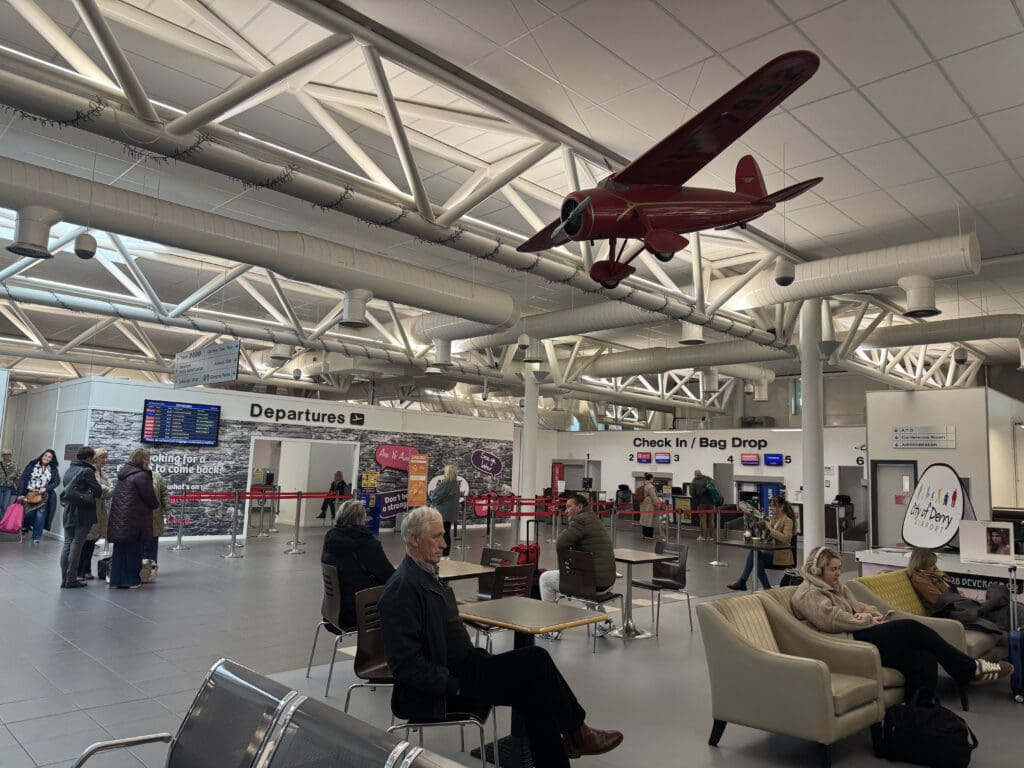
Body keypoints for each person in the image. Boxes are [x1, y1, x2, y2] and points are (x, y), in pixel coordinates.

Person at [379, 506, 623, 767]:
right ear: (415, 539)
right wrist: (454, 685)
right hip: (446, 687)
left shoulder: (426, 575)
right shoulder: (402, 589)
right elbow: (405, 665)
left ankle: (570, 743)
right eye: (436, 537)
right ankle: (577, 732)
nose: (444, 543)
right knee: (536, 660)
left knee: (534, 689)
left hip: (466, 668)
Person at [792, 546, 1013, 700]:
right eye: (833, 569)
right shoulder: (809, 594)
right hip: (848, 640)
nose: (838, 573)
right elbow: (833, 620)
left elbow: (860, 606)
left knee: (923, 658)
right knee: (911, 627)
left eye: (839, 568)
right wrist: (866, 619)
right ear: (816, 569)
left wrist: (870, 615)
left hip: (861, 629)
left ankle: (921, 714)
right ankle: (968, 668)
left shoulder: (837, 586)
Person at [538, 493, 617, 639]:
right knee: (580, 583)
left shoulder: (580, 520)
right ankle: (604, 621)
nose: (566, 510)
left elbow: (561, 542)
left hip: (595, 582)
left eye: (569, 507)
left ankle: (552, 628)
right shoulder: (594, 518)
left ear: (580, 507)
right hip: (608, 581)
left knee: (545, 579)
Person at [321, 498, 395, 629]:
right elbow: (389, 577)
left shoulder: (330, 540)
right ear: (362, 519)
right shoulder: (367, 544)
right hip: (362, 611)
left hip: (334, 610)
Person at [907, 548, 1011, 634]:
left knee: (997, 590)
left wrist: (957, 594)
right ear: (921, 564)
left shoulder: (934, 572)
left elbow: (950, 589)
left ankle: (983, 608)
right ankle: (982, 608)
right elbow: (940, 600)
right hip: (950, 611)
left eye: (934, 563)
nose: (934, 566)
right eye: (931, 565)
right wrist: (959, 598)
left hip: (959, 604)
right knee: (999, 598)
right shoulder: (919, 579)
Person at [107, 447, 158, 589]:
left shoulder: (124, 473)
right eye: (147, 458)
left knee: (119, 551)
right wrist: (149, 475)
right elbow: (151, 500)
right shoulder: (141, 476)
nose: (149, 461)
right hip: (135, 521)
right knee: (133, 552)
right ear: (142, 459)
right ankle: (132, 580)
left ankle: (116, 580)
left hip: (120, 520)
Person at [727, 496, 795, 591]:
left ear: (781, 507)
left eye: (773, 506)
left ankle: (744, 582)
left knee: (754, 556)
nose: (771, 508)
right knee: (756, 559)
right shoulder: (773, 519)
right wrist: (762, 528)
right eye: (770, 506)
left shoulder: (788, 521)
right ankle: (765, 589)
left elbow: (786, 539)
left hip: (782, 556)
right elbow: (769, 537)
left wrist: (770, 528)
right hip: (771, 552)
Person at [58, 447, 103, 589]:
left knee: (67, 544)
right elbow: (98, 490)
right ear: (89, 458)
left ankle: (65, 579)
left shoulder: (70, 469)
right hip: (83, 512)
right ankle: (71, 579)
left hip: (69, 510)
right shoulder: (87, 471)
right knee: (77, 544)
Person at [78, 448, 113, 580]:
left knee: (92, 541)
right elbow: (101, 490)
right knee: (85, 541)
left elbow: (109, 489)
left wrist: (107, 490)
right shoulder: (90, 472)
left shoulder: (102, 473)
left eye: (106, 457)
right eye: (103, 458)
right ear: (95, 458)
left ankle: (86, 569)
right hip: (90, 510)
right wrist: (106, 490)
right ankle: (80, 570)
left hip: (99, 511)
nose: (105, 461)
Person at [17, 449, 61, 544]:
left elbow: (57, 481)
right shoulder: (32, 465)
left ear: (51, 459)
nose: (47, 458)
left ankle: (36, 537)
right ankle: (26, 526)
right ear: (42, 456)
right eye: (45, 455)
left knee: (40, 515)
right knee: (28, 514)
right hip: (30, 494)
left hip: (43, 496)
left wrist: (46, 488)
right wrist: (20, 494)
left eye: (49, 457)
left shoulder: (53, 469)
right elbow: (23, 480)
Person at [428, 464, 460, 558]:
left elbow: (435, 497)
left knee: (439, 533)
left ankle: (439, 553)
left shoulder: (445, 484)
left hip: (441, 513)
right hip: (450, 514)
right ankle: (446, 554)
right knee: (447, 533)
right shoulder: (456, 485)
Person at [142, 469, 170, 565]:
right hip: (139, 517)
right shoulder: (134, 475)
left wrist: (168, 510)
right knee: (140, 544)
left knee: (152, 541)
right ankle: (139, 569)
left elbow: (164, 494)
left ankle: (151, 569)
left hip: (155, 516)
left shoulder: (156, 476)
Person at [690, 469, 716, 542]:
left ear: (695, 475)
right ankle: (711, 537)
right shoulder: (709, 479)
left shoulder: (694, 481)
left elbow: (692, 494)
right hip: (711, 502)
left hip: (701, 503)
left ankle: (703, 536)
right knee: (711, 519)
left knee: (703, 519)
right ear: (701, 473)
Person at [638, 473, 659, 539]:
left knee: (644, 520)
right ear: (650, 479)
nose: (653, 479)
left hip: (643, 504)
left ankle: (644, 534)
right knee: (650, 520)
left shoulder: (643, 484)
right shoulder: (650, 486)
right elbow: (654, 497)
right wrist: (659, 505)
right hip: (649, 505)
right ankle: (649, 535)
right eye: (652, 478)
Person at [0, 448, 18, 514]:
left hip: (8, 488)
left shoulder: (14, 465)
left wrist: (19, 488)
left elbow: (18, 477)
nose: (6, 456)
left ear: (10, 455)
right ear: (2, 455)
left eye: (8, 454)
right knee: (0, 505)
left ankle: (2, 522)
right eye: (5, 454)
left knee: (5, 506)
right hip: (0, 486)